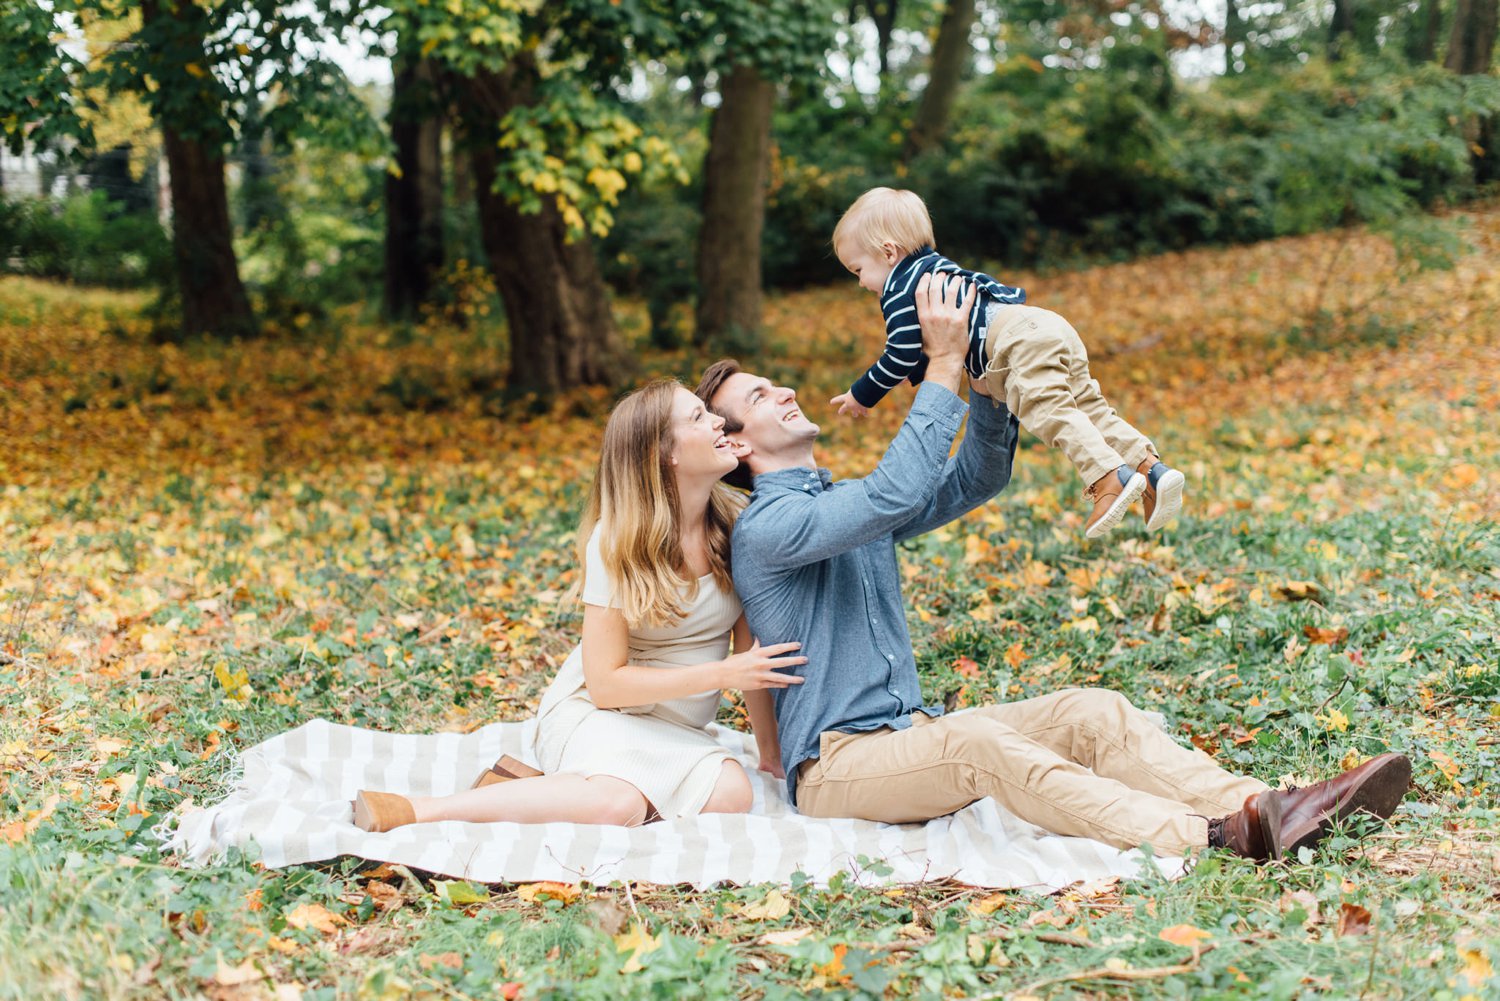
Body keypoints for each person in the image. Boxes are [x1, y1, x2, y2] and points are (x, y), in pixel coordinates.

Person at [696, 273, 1409, 862]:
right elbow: (898, 490)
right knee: (977, 741)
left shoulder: (847, 503)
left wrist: (984, 371)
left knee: (1092, 711)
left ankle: (1277, 805)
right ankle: (1215, 835)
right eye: (759, 397)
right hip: (839, 765)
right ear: (734, 445)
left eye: (772, 384)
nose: (784, 391)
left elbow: (970, 480)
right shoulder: (769, 527)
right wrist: (940, 363)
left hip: (909, 732)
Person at [353, 380, 806, 832]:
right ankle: (423, 809)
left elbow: (753, 662)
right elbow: (606, 685)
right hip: (601, 714)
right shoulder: (616, 540)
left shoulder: (738, 525)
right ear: (665, 453)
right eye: (698, 417)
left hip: (679, 728)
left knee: (734, 794)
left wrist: (769, 753)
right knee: (618, 805)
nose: (718, 422)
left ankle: (532, 794)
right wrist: (723, 673)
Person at [830, 186, 1184, 539]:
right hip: (1045, 323)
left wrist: (862, 394)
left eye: (858, 269)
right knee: (1087, 406)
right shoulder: (937, 268)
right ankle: (1151, 469)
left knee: (1049, 408)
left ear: (888, 252)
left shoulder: (899, 288)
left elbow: (901, 353)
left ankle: (1107, 476)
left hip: (1015, 341)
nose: (861, 282)